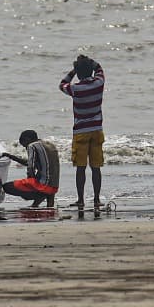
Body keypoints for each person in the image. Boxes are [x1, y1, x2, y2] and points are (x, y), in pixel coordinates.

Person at [60, 54, 105, 210]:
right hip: (97, 130)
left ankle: (81, 199)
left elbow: (62, 84)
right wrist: (90, 62)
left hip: (81, 132)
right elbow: (99, 69)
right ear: (91, 71)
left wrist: (72, 71)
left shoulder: (75, 89)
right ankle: (97, 199)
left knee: (81, 167)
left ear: (78, 73)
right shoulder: (99, 83)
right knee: (96, 167)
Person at [3, 130, 61, 208]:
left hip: (43, 186)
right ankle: (40, 203)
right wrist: (11, 156)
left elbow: (30, 166)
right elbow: (34, 163)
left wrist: (30, 180)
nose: (25, 147)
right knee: (45, 178)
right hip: (53, 187)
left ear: (27, 139)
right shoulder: (49, 145)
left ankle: (39, 195)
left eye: (24, 145)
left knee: (7, 187)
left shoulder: (32, 146)